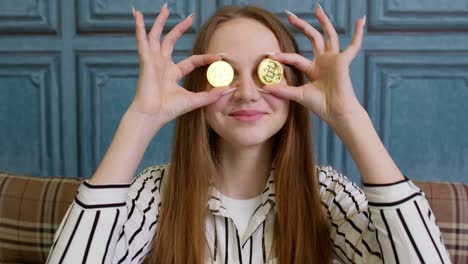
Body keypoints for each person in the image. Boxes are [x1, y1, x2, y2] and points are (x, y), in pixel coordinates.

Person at [46, 3, 451, 264]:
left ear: (293, 85)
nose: (246, 92)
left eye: (265, 71)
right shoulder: (155, 195)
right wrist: (141, 118)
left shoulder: (325, 194)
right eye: (223, 73)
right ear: (200, 88)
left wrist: (350, 117)